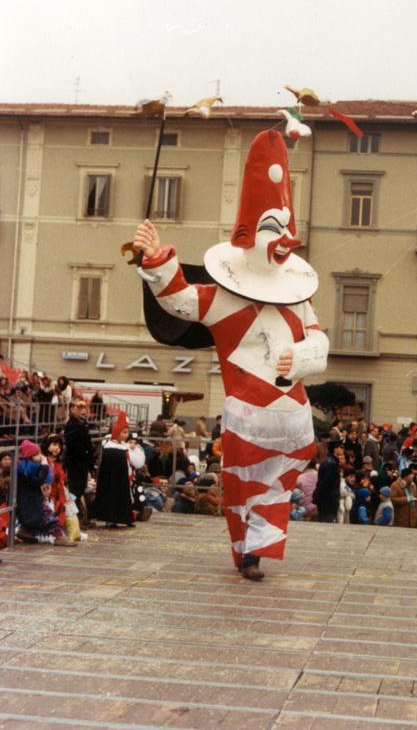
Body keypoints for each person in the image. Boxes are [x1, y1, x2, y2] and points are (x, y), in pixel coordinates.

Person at [133, 129, 328, 581]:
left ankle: (253, 551)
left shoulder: (299, 296)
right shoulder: (224, 297)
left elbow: (320, 343)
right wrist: (155, 260)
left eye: (287, 230)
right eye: (274, 230)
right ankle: (246, 549)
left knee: (272, 487)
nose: (285, 241)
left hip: (291, 419)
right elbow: (179, 298)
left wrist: (302, 356)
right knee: (243, 488)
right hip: (247, 418)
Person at [93, 411, 135, 528]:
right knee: (111, 496)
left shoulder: (122, 447)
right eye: (124, 432)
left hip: (121, 477)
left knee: (123, 495)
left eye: (127, 432)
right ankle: (110, 518)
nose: (126, 435)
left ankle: (124, 517)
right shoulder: (110, 448)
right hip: (111, 479)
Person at [63, 397, 95, 525]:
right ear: (72, 409)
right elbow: (74, 446)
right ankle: (76, 518)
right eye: (79, 407)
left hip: (82, 463)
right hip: (75, 463)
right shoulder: (72, 424)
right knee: (76, 491)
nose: (83, 410)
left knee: (80, 490)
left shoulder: (82, 423)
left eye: (84, 407)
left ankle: (80, 517)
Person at [313, 443, 344, 523]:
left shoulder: (332, 462)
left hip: (329, 498)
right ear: (335, 449)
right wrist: (317, 495)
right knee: (327, 522)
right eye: (340, 447)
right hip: (328, 499)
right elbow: (324, 483)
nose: (342, 449)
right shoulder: (330, 464)